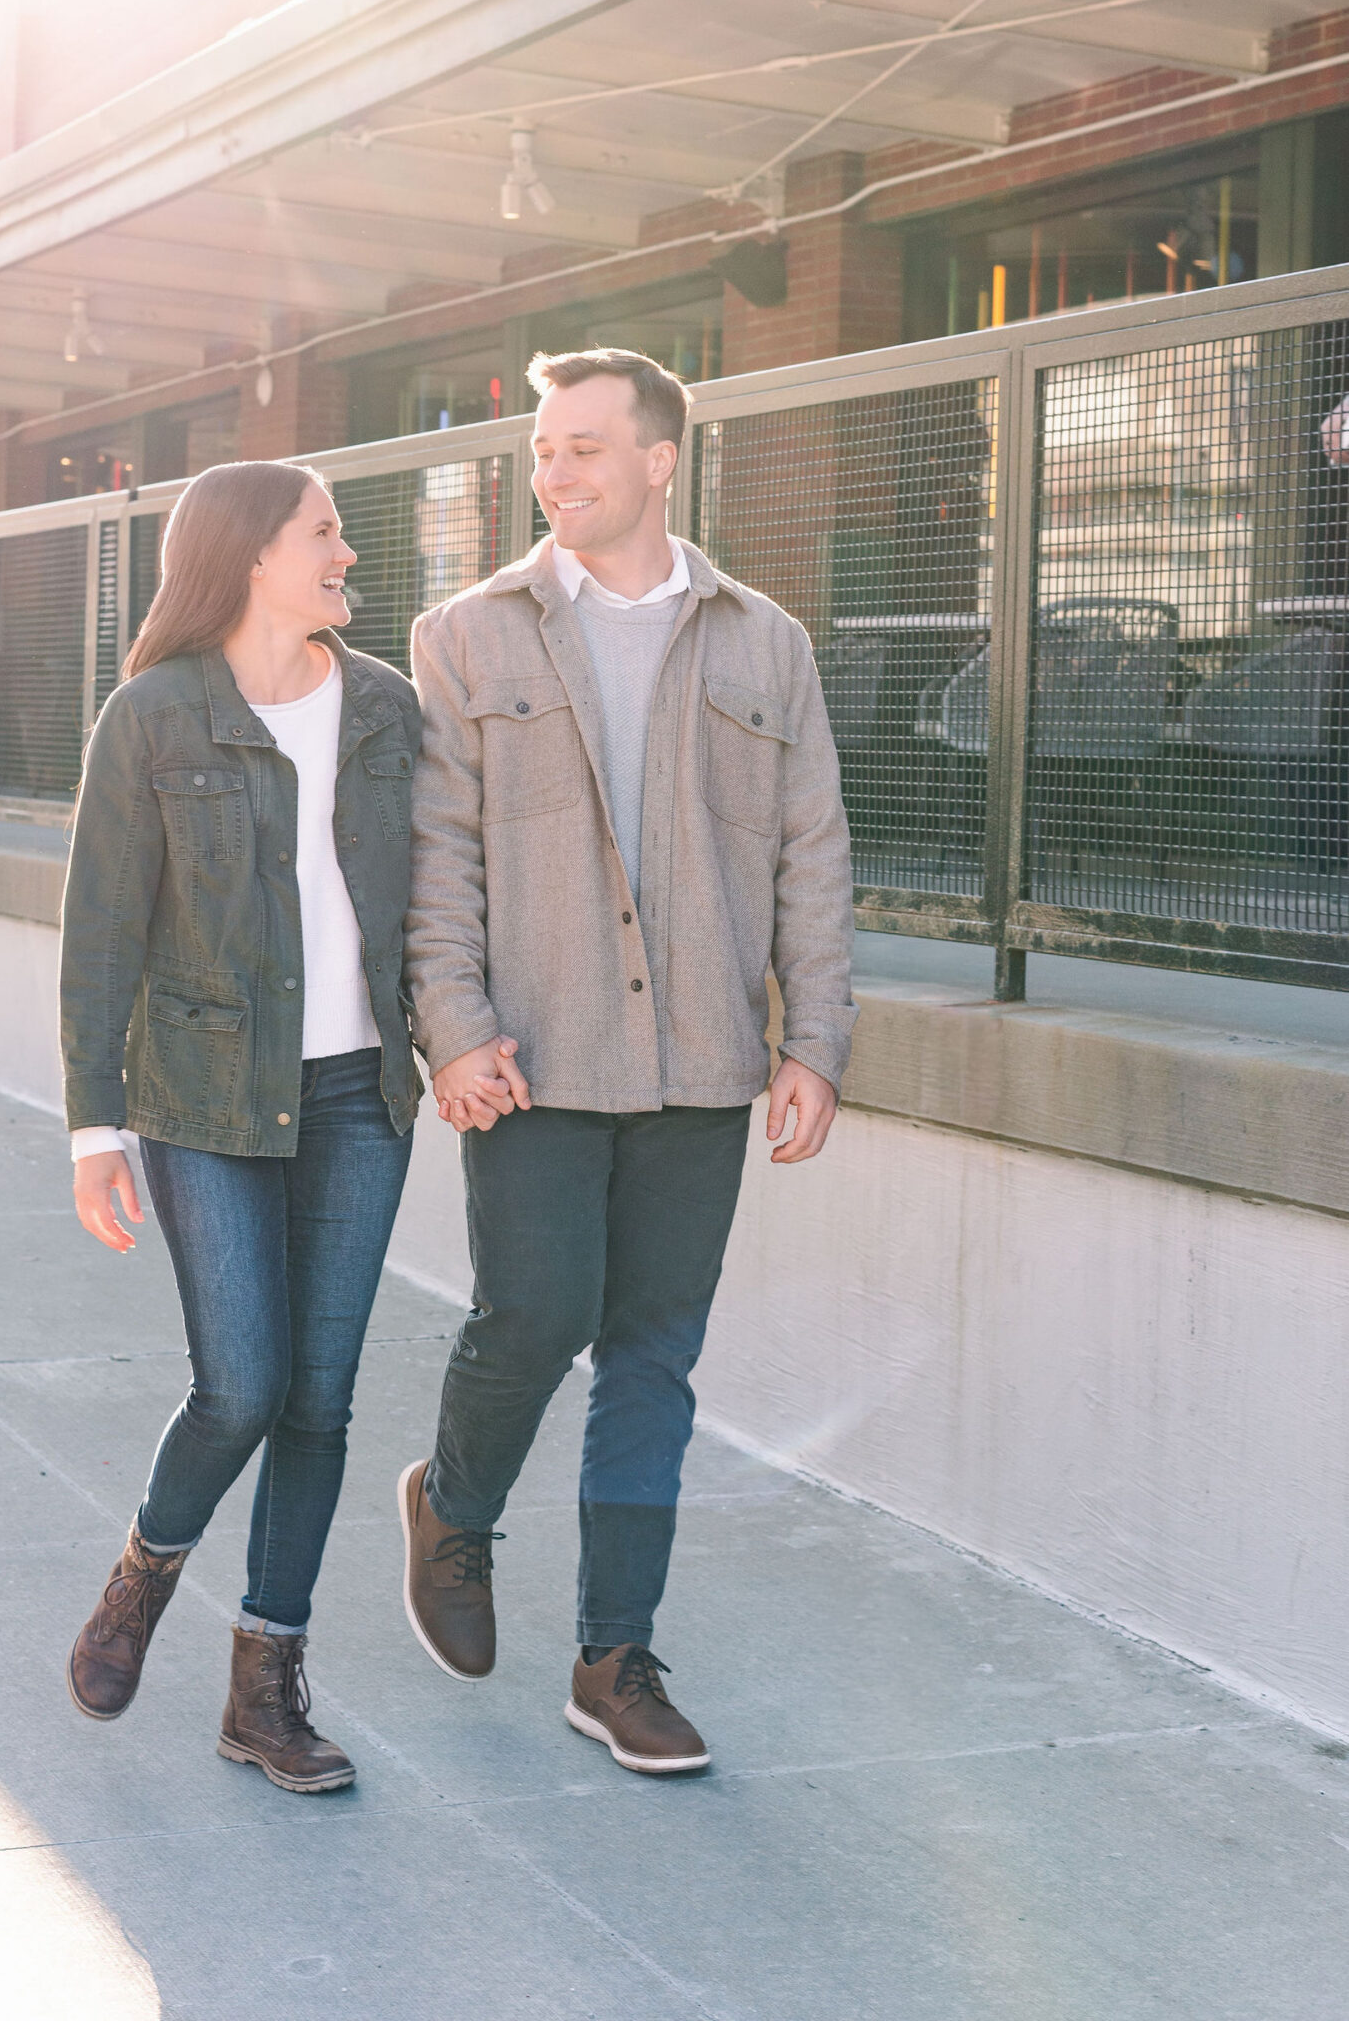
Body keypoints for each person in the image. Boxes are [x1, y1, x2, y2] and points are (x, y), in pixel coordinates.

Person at [400, 345, 855, 1775]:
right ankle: (455, 1513)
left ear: (661, 460)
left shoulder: (765, 641)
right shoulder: (468, 636)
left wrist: (815, 1041)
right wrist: (454, 1029)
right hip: (531, 1059)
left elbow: (814, 856)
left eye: (587, 446)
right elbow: (439, 862)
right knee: (531, 1320)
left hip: (706, 1062)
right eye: (544, 449)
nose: (556, 470)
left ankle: (613, 1658)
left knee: (653, 1360)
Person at [60, 460, 422, 1794]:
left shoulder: (386, 708)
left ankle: (264, 1685)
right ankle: (147, 1572)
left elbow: (436, 898)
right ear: (254, 555)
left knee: (319, 1403)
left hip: (361, 1096)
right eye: (322, 531)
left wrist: (471, 1036)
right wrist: (94, 1125)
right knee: (243, 1387)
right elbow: (101, 932)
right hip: (206, 1095)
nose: (345, 550)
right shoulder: (153, 717)